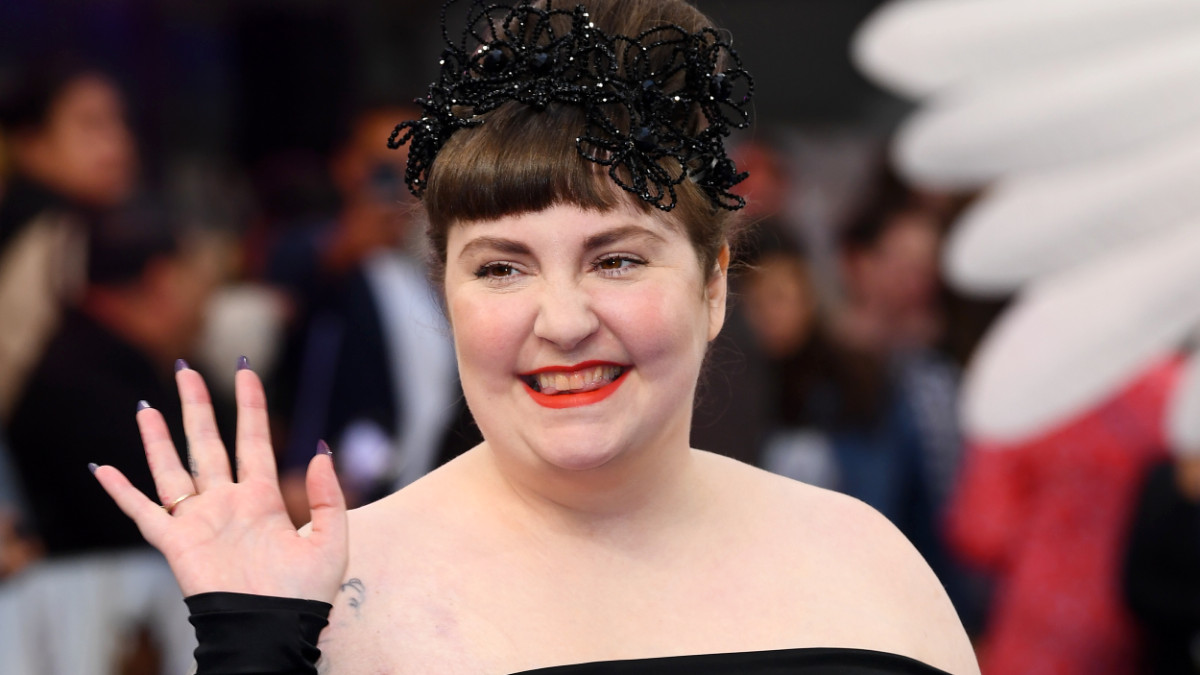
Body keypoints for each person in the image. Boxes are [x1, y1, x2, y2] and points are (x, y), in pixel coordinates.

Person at [92, 1, 979, 673]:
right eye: (501, 268)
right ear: (445, 297)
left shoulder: (860, 560)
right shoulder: (326, 596)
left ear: (713, 288)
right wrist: (256, 650)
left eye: (618, 260)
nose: (561, 321)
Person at [8, 205, 214, 674]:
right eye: (201, 278)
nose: (208, 300)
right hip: (86, 636)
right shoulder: (83, 381)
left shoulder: (111, 362)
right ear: (163, 279)